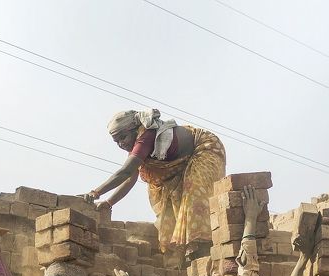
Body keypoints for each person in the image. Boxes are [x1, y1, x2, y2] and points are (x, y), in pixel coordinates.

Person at [83, 109, 225, 261]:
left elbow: (125, 172)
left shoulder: (147, 137)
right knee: (170, 206)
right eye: (116, 141)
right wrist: (109, 202)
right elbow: (129, 179)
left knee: (194, 195)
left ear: (135, 130)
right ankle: (186, 254)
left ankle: (203, 249)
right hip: (180, 162)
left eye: (123, 137)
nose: (120, 144)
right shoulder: (137, 147)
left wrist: (96, 193)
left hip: (204, 148)